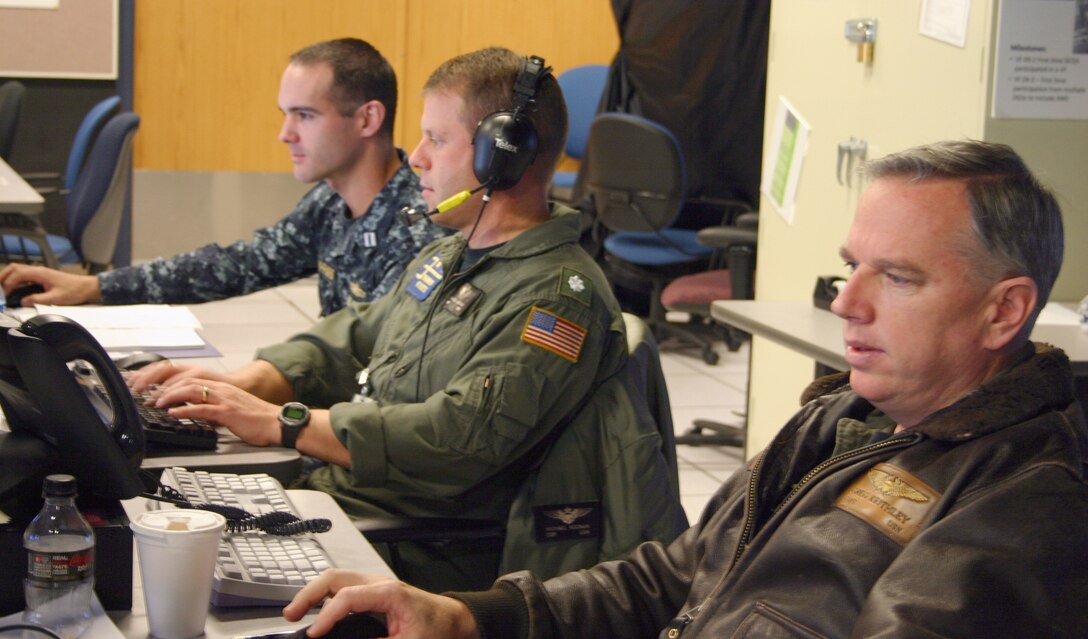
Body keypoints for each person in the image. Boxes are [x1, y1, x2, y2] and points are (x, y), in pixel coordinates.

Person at [280, 139, 1088, 639]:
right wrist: (467, 613)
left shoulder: (1023, 504)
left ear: (1004, 310)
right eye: (851, 269)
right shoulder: (850, 417)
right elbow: (679, 574)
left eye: (898, 278)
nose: (846, 302)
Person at [130, 47, 684, 592]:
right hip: (356, 498)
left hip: (430, 555)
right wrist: (244, 383)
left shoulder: (556, 299)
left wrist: (287, 423)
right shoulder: (448, 255)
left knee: (168, 569)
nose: (416, 156)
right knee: (146, 504)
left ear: (503, 157)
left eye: (437, 140)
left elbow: (458, 440)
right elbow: (353, 338)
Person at [0, 38, 447, 317]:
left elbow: (376, 376)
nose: (284, 134)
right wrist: (93, 287)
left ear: (368, 119)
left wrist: (250, 390)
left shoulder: (416, 233)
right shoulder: (331, 202)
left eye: (305, 116)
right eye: (285, 115)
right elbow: (239, 264)